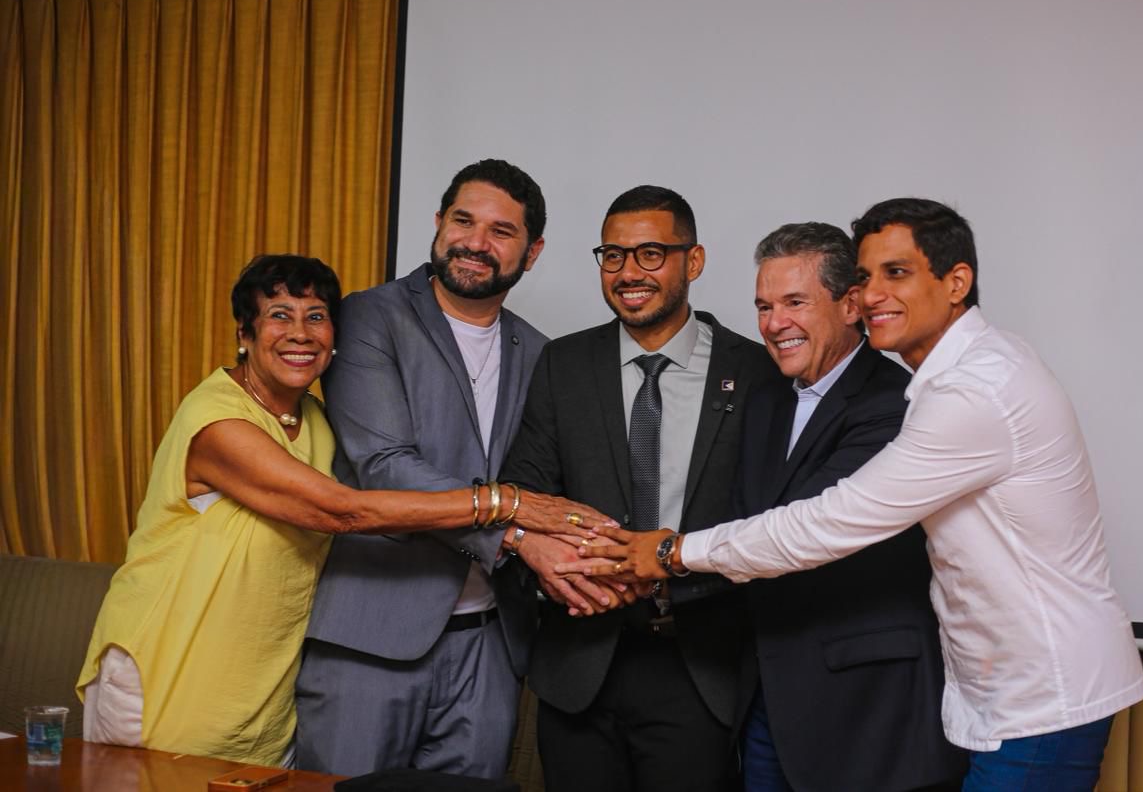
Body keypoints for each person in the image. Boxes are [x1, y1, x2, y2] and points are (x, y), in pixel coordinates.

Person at [566, 198, 1143, 791]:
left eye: (896, 273)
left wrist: (670, 553)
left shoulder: (976, 390)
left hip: (1043, 698)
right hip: (990, 691)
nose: (871, 296)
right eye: (866, 277)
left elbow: (831, 522)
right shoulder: (952, 374)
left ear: (956, 283)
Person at [76, 253, 602, 767]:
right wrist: (507, 506)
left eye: (316, 317)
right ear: (245, 333)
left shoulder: (314, 419)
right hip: (174, 659)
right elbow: (341, 513)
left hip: (261, 680)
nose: (300, 334)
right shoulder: (217, 421)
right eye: (279, 316)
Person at [294, 160, 619, 778]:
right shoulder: (368, 318)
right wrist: (516, 536)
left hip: (492, 645)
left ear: (533, 251)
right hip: (372, 636)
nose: (475, 241)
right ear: (439, 222)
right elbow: (385, 467)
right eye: (463, 221)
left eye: (501, 231)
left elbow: (547, 481)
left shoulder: (541, 353)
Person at [499, 185, 777, 792]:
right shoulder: (564, 364)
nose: (628, 273)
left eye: (651, 254)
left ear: (693, 261)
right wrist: (548, 556)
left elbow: (769, 520)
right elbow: (526, 492)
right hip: (580, 664)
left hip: (701, 667)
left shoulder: (756, 371)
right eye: (613, 255)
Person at [740, 222, 967, 792]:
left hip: (867, 708)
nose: (774, 323)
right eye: (764, 306)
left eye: (795, 302)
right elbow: (738, 513)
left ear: (849, 306)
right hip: (767, 694)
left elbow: (803, 526)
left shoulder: (899, 402)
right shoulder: (762, 397)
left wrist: (663, 560)